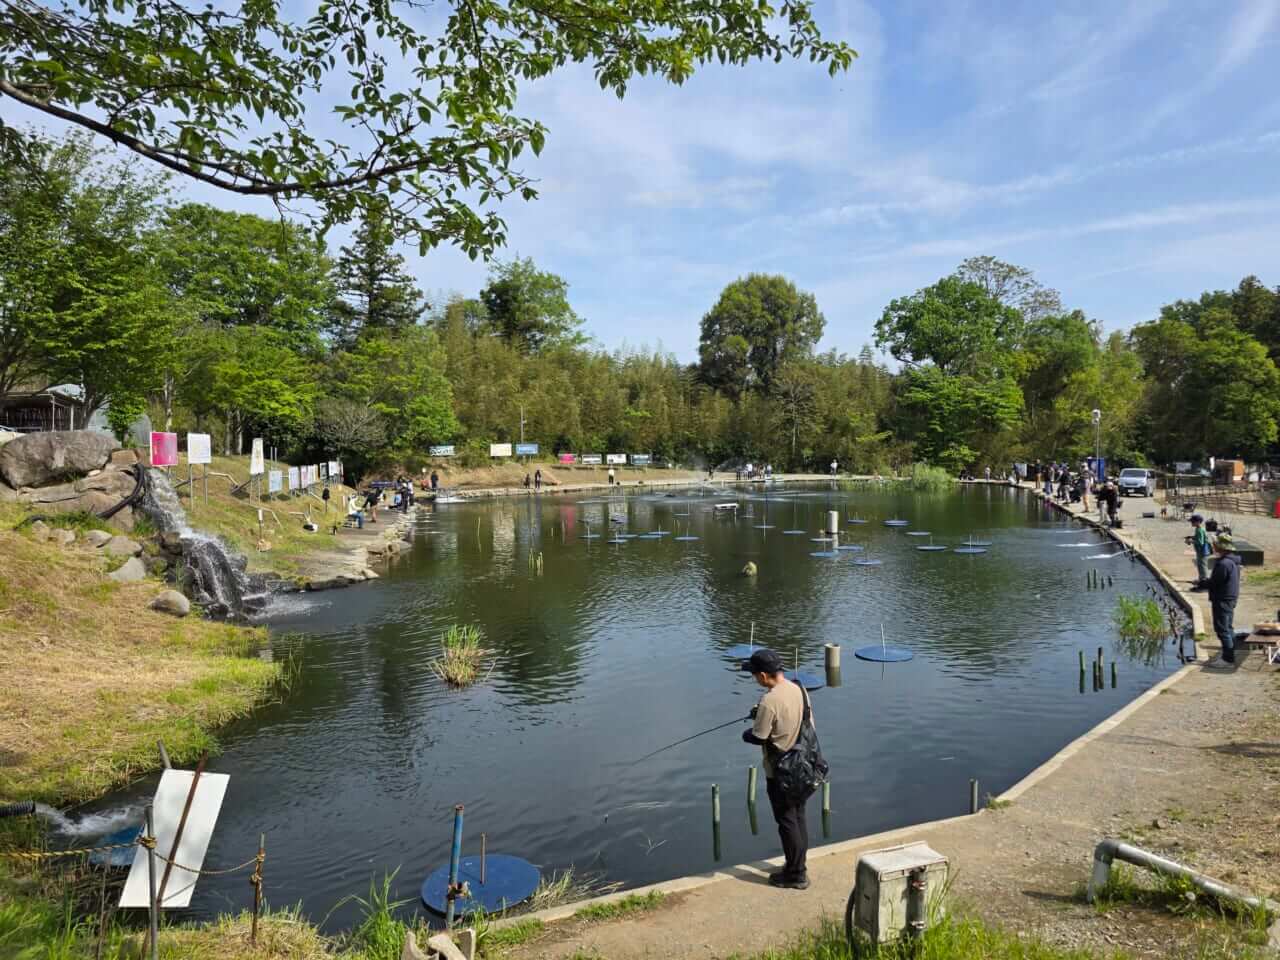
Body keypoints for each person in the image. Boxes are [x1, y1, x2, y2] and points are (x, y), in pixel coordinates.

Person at [740, 649, 810, 889]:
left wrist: (746, 733)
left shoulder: (769, 701)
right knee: (798, 818)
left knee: (786, 822)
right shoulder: (799, 689)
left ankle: (795, 875)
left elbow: (759, 737)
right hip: (803, 766)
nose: (754, 679)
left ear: (762, 675)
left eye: (754, 675)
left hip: (780, 772)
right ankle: (798, 867)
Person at [1206, 533, 1241, 669]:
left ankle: (1228, 660)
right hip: (1230, 597)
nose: (1214, 547)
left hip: (1223, 599)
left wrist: (1201, 583)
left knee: (1222, 629)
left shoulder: (1223, 564)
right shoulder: (1234, 561)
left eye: (1215, 546)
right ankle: (1230, 653)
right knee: (1229, 627)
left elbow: (1215, 582)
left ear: (1220, 548)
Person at [1188, 514, 1211, 589]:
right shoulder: (1198, 529)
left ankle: (1204, 582)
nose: (1191, 523)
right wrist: (1192, 537)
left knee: (1203, 566)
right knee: (1200, 566)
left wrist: (1191, 541)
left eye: (1192, 522)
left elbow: (1200, 542)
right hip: (1200, 551)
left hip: (1203, 551)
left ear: (1198, 522)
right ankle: (1200, 579)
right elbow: (1198, 537)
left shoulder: (1200, 530)